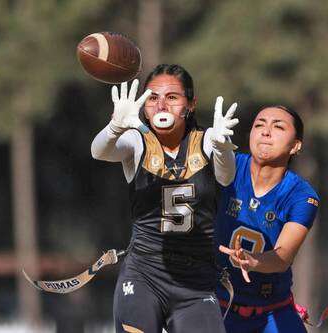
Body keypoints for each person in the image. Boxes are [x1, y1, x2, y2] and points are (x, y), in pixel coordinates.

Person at [91, 64, 239, 333]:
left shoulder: (206, 140)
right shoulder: (137, 141)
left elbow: (227, 177)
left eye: (172, 97)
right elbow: (99, 152)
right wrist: (114, 127)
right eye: (153, 98)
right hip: (144, 273)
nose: (161, 105)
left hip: (195, 281)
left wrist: (221, 148)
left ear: (191, 104)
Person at [215, 105, 320, 333]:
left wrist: (254, 261)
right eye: (259, 125)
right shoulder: (228, 167)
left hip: (272, 311)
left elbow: (283, 256)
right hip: (216, 307)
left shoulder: (301, 195)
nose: (266, 131)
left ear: (296, 145)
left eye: (278, 126)